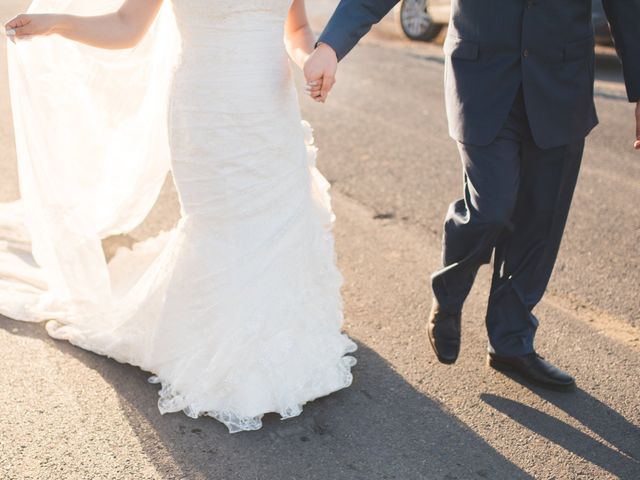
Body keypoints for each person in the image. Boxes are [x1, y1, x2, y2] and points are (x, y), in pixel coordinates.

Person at [1, 0, 356, 433]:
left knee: (276, 217)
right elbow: (126, 25)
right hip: (205, 111)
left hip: (270, 108)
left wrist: (314, 58)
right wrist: (56, 22)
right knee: (224, 227)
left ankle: (278, 340)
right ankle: (226, 354)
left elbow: (296, 27)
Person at [304, 0, 640, 391]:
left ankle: (511, 342)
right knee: (491, 205)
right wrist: (330, 45)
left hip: (561, 80)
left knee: (541, 220)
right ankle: (449, 291)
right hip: (483, 76)